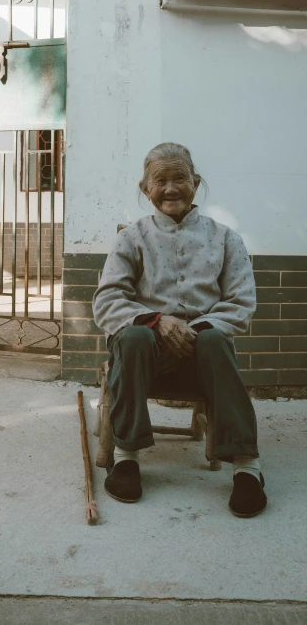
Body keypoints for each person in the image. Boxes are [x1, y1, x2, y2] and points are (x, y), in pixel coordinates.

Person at [92, 142, 267, 518]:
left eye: (180, 179)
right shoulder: (131, 238)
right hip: (145, 357)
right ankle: (126, 458)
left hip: (203, 353)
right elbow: (107, 301)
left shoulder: (225, 238)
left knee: (217, 338)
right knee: (135, 335)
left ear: (196, 182)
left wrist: (196, 328)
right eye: (160, 181)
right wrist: (158, 321)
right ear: (145, 189)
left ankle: (247, 468)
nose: (170, 189)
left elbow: (241, 303)